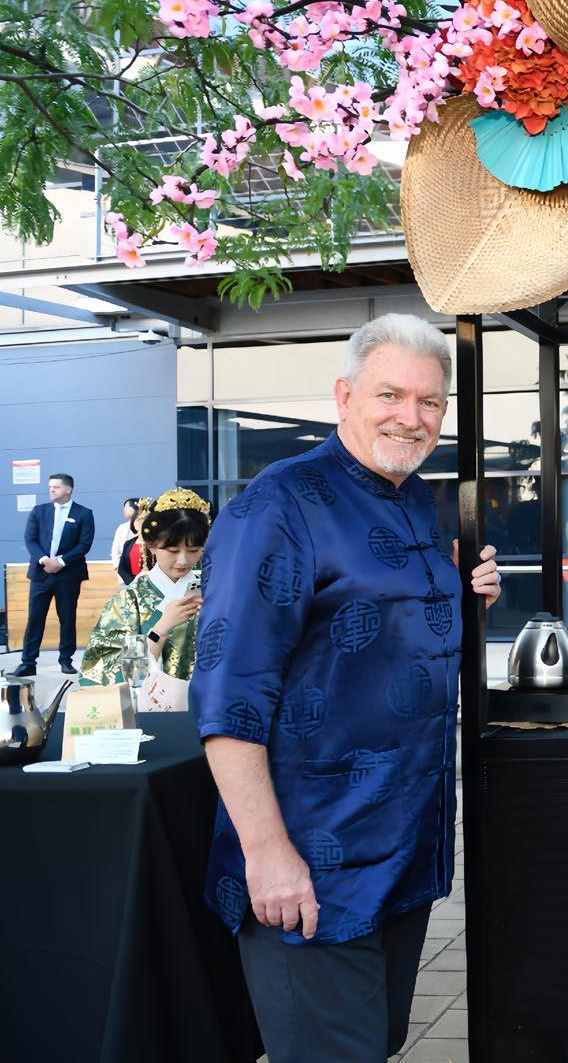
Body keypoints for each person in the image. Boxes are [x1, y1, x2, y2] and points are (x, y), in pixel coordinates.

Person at [189, 313, 502, 1063]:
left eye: (430, 402)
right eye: (390, 394)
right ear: (344, 395)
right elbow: (228, 697)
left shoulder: (414, 499)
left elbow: (382, 639)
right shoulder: (279, 506)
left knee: (374, 1047)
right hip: (311, 862)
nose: (411, 417)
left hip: (402, 853)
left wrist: (466, 599)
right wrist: (268, 854)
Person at [80, 488, 210, 686]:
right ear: (151, 545)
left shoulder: (214, 592)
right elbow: (102, 672)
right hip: (152, 703)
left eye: (193, 550)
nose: (183, 560)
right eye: (173, 550)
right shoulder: (129, 600)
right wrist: (160, 629)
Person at [13, 472, 97, 677]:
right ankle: (28, 662)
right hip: (41, 574)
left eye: (56, 487)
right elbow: (30, 539)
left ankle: (66, 660)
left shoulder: (84, 513)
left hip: (68, 575)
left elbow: (84, 544)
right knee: (35, 618)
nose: (51, 489)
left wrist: (61, 562)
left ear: (68, 489)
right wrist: (45, 560)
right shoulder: (39, 511)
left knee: (67, 618)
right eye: (50, 486)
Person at [110, 496, 139, 568]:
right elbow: (115, 549)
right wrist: (117, 566)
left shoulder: (146, 526)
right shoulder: (122, 528)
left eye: (127, 506)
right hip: (125, 567)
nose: (124, 510)